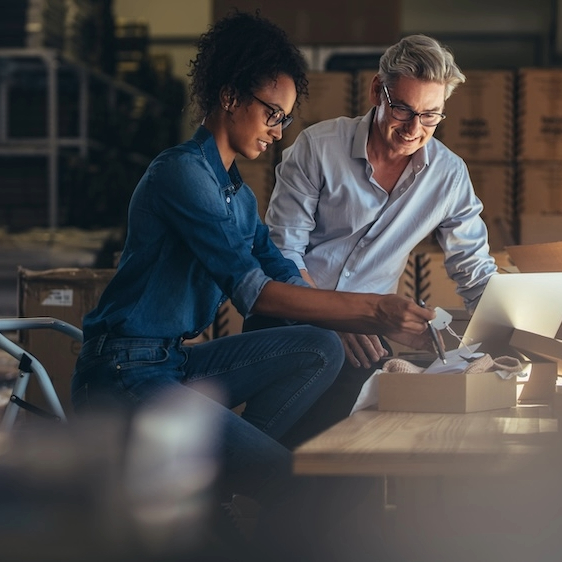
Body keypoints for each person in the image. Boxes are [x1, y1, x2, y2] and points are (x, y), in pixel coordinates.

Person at [70, 12, 434, 560]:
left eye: (285, 119)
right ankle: (220, 487)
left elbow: (282, 270)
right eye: (271, 113)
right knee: (286, 479)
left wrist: (359, 324)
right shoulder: (181, 174)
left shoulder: (236, 196)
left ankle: (209, 483)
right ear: (230, 96)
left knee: (318, 345)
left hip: (172, 362)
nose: (276, 130)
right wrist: (372, 312)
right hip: (122, 373)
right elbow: (254, 293)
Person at [255, 33, 498, 448]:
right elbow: (282, 255)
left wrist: (514, 332)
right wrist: (338, 315)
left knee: (363, 459)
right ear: (376, 91)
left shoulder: (449, 175)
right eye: (402, 109)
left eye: (430, 116)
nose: (413, 129)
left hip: (366, 338)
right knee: (288, 459)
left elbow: (474, 273)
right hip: (290, 322)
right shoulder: (317, 147)